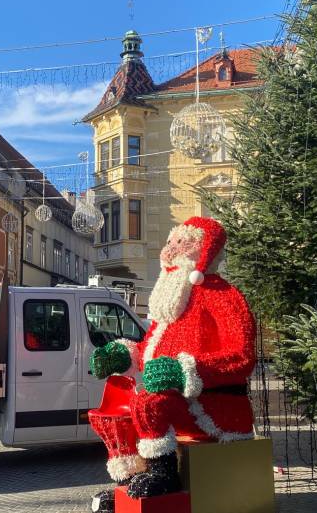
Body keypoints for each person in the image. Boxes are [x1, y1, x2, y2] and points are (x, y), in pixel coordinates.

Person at [88, 217, 256, 512]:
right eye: (171, 241)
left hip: (211, 404)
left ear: (203, 250)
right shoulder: (174, 300)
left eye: (181, 242)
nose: (170, 248)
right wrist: (123, 355)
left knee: (149, 402)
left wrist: (184, 371)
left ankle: (164, 478)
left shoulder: (221, 294)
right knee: (116, 411)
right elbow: (150, 348)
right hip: (180, 400)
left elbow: (242, 356)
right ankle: (133, 480)